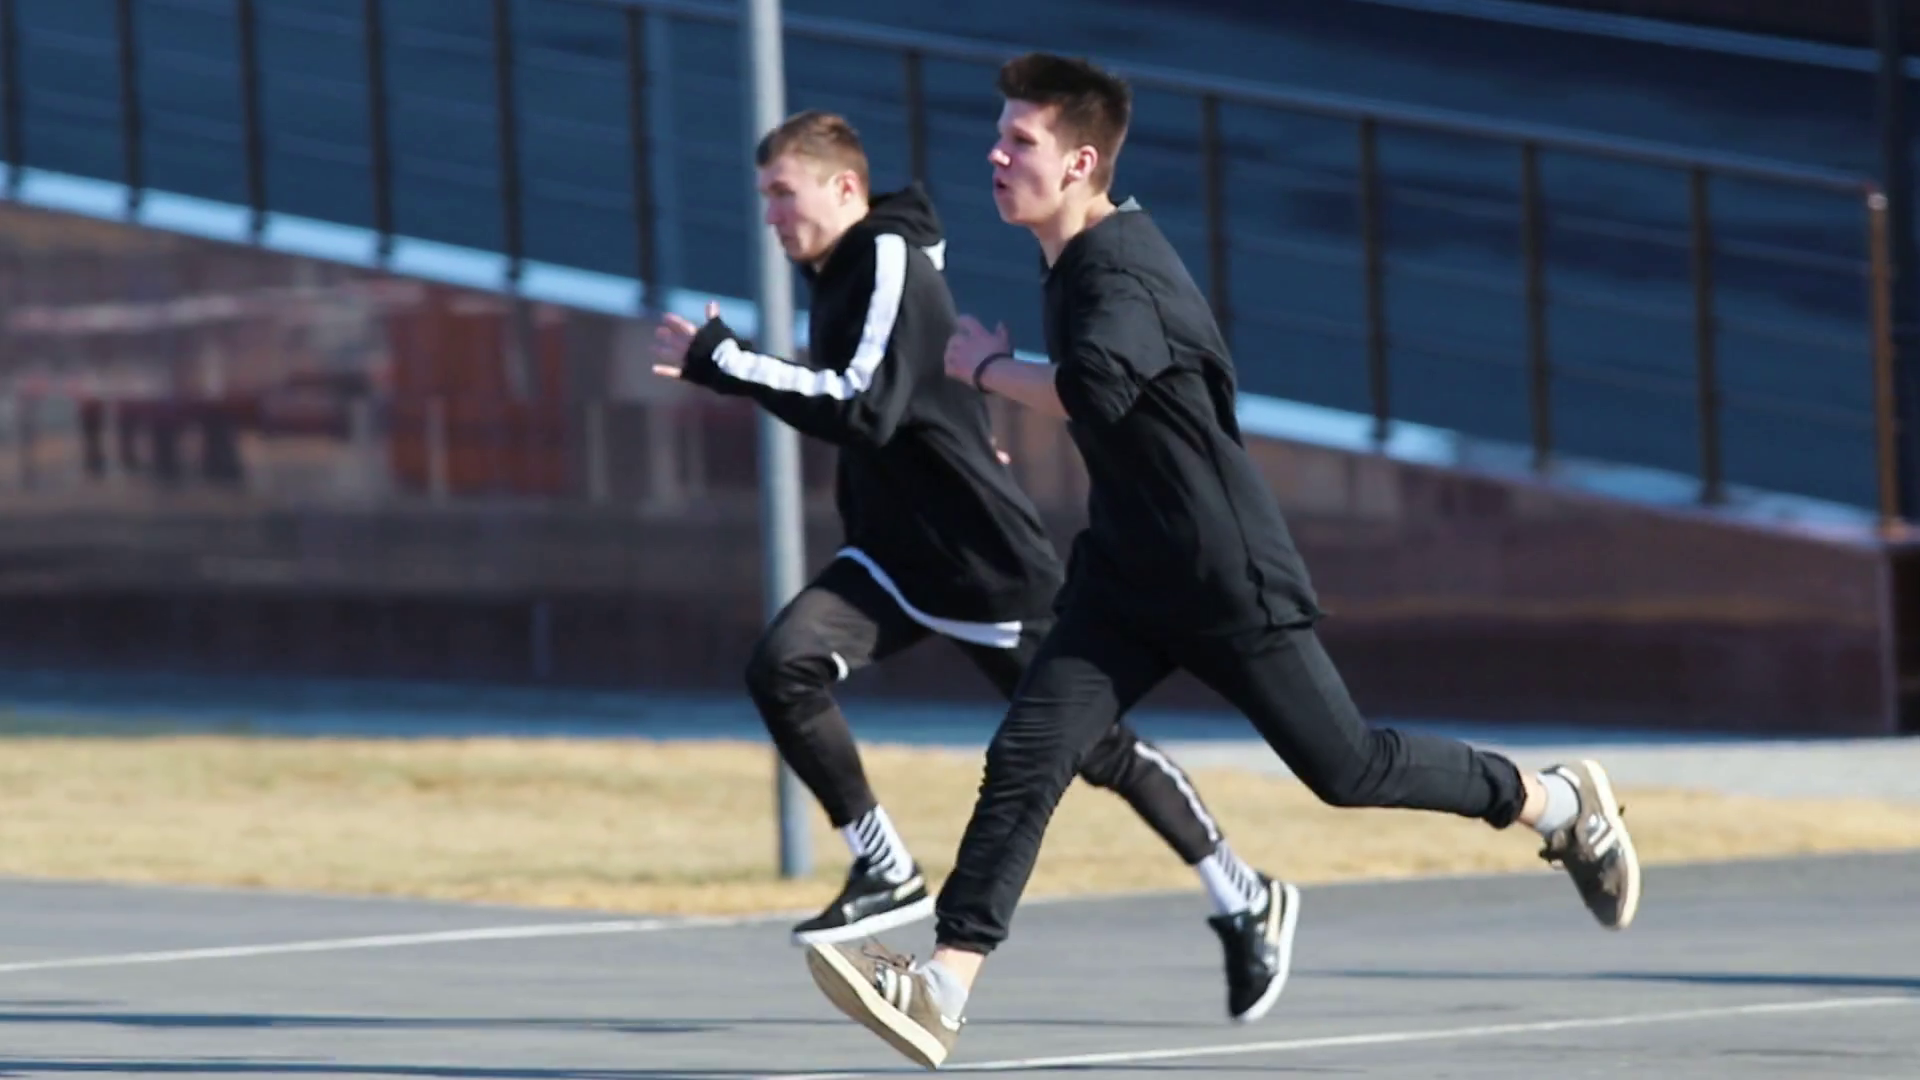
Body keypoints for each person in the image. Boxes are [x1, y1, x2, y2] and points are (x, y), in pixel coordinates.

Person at [800, 54, 1643, 1070]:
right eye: (1000, 132)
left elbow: (1099, 386)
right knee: (1029, 753)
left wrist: (985, 368)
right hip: (1124, 577)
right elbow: (1104, 396)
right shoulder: (1073, 261)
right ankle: (943, 986)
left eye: (1019, 140)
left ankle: (1557, 801)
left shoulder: (1120, 264)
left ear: (1078, 164)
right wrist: (1003, 377)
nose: (996, 151)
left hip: (1222, 574)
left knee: (1348, 769)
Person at [650, 109, 1301, 1023]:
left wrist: (729, 362)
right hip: (891, 556)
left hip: (984, 566)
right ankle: (884, 866)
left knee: (1096, 753)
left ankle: (1244, 893)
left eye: (782, 193)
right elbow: (904, 397)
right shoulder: (837, 271)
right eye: (764, 196)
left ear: (845, 188)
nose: (771, 214)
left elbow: (864, 406)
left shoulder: (884, 256)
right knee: (781, 665)